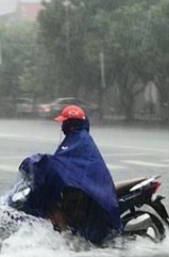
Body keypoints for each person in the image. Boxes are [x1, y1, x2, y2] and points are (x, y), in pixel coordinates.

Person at [18, 105, 121, 244]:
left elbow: (61, 163)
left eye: (65, 122)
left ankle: (66, 236)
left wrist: (42, 162)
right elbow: (62, 163)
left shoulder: (80, 140)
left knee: (52, 205)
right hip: (81, 186)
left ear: (71, 124)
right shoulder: (75, 138)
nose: (62, 126)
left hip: (89, 191)